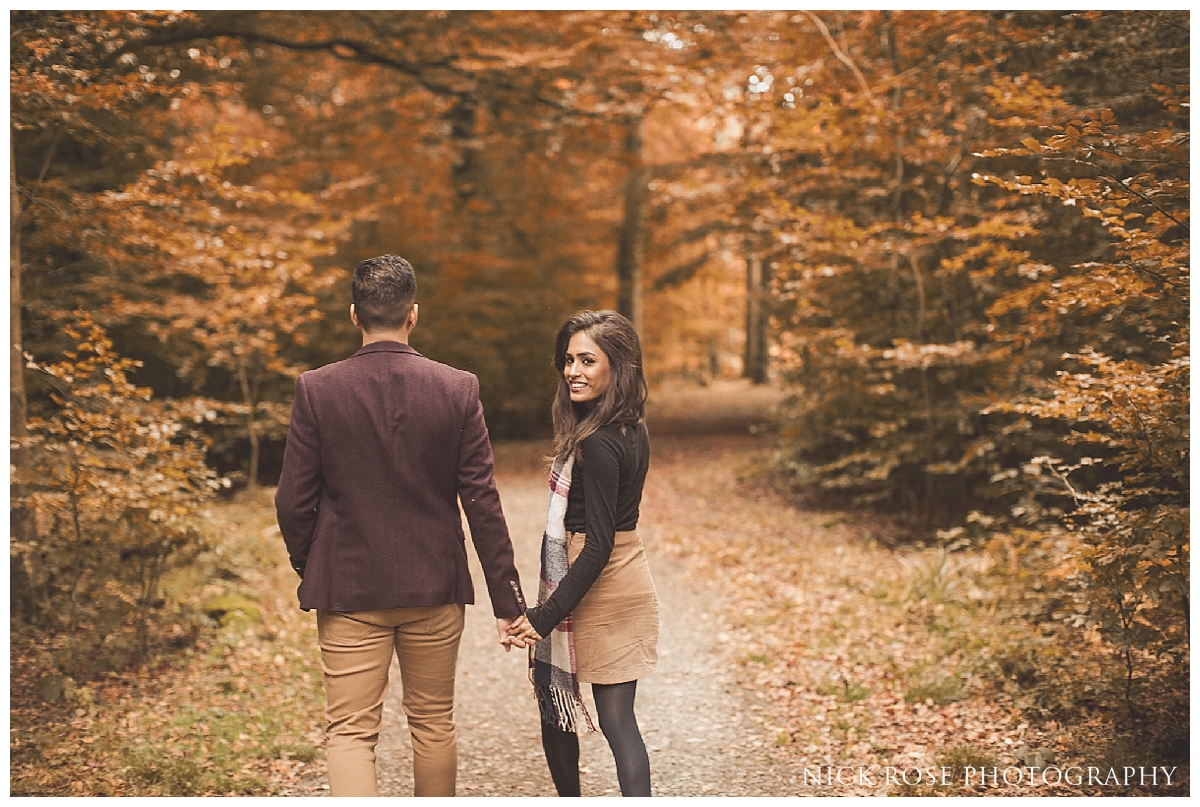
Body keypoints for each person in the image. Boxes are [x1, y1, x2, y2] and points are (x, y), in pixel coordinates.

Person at [274, 254, 529, 797]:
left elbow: (293, 501)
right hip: (433, 588)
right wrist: (509, 602)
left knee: (349, 733)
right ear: (413, 314)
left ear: (354, 315)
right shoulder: (457, 388)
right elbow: (481, 500)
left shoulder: (316, 389)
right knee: (433, 724)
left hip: (348, 588)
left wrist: (312, 559)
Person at [506, 310, 659, 797]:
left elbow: (597, 544)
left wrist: (545, 615)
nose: (573, 370)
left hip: (591, 580)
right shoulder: (633, 428)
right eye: (569, 359)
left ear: (618, 366)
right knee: (619, 722)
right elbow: (616, 531)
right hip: (630, 575)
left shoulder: (595, 442)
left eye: (588, 360)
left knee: (556, 708)